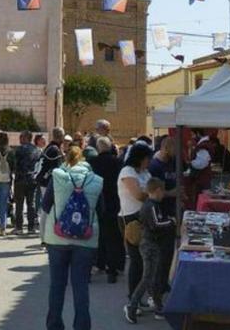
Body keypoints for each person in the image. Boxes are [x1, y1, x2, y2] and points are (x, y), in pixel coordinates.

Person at [42, 146, 103, 330]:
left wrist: (43, 236)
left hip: (57, 239)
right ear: (84, 160)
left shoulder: (57, 176)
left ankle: (54, 325)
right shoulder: (97, 181)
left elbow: (45, 207)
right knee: (81, 287)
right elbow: (103, 210)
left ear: (67, 159)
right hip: (85, 241)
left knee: (57, 286)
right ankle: (82, 326)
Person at [124, 178, 175, 323]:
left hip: (152, 244)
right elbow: (155, 224)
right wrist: (172, 222)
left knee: (153, 277)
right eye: (163, 191)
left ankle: (158, 308)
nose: (164, 194)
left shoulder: (152, 205)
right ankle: (132, 306)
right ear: (158, 190)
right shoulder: (150, 206)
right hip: (149, 245)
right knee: (148, 278)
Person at [117, 142, 153, 303]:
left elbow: (154, 188)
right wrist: (151, 192)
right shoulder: (127, 171)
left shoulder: (145, 172)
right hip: (131, 219)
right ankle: (133, 297)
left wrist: (150, 191)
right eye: (147, 158)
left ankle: (138, 297)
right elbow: (138, 194)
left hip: (144, 216)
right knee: (136, 260)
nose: (149, 161)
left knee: (146, 260)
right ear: (139, 158)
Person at [89, 136, 125, 283]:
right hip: (114, 202)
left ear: (98, 148)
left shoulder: (93, 163)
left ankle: (100, 263)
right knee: (114, 236)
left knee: (99, 235)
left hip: (97, 201)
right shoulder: (117, 162)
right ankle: (114, 268)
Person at [11, 130, 41, 235]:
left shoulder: (18, 150)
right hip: (32, 179)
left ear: (27, 138)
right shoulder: (37, 150)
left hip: (20, 179)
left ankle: (19, 227)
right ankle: (31, 227)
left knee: (19, 204)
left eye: (21, 137)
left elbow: (14, 164)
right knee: (31, 203)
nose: (20, 139)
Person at [183, 129, 214, 209]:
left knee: (201, 204)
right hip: (202, 179)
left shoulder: (203, 146)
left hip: (202, 180)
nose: (192, 137)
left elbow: (201, 164)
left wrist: (189, 163)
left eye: (193, 135)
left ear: (198, 134)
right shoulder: (202, 145)